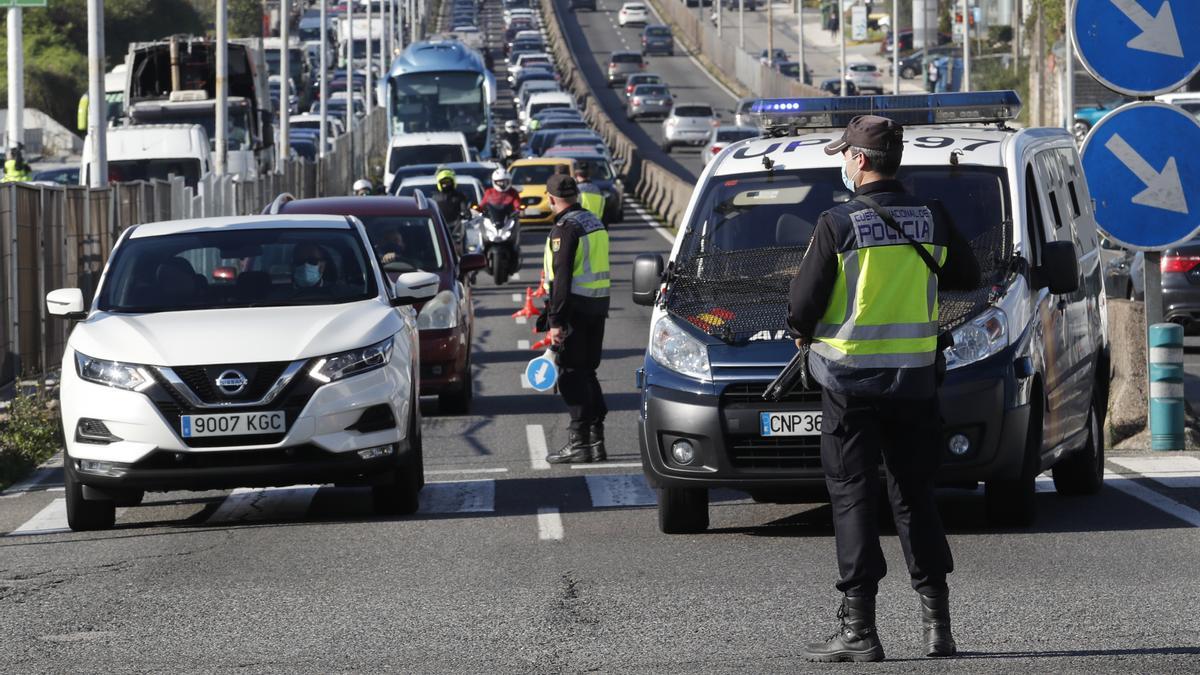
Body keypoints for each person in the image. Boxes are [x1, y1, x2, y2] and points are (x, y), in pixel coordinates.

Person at [787, 115, 980, 663]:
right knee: (915, 495)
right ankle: (937, 629)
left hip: (848, 383)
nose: (843, 164)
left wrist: (805, 331)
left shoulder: (836, 223)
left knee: (852, 496)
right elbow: (965, 276)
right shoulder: (933, 218)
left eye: (844, 155)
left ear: (862, 160)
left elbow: (802, 307)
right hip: (916, 381)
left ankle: (859, 631)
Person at [541, 174, 611, 464]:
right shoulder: (593, 222)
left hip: (575, 310)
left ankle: (578, 442)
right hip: (597, 307)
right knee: (587, 372)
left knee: (570, 375)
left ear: (551, 198)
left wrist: (555, 321)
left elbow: (562, 279)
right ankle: (596, 441)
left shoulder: (565, 229)